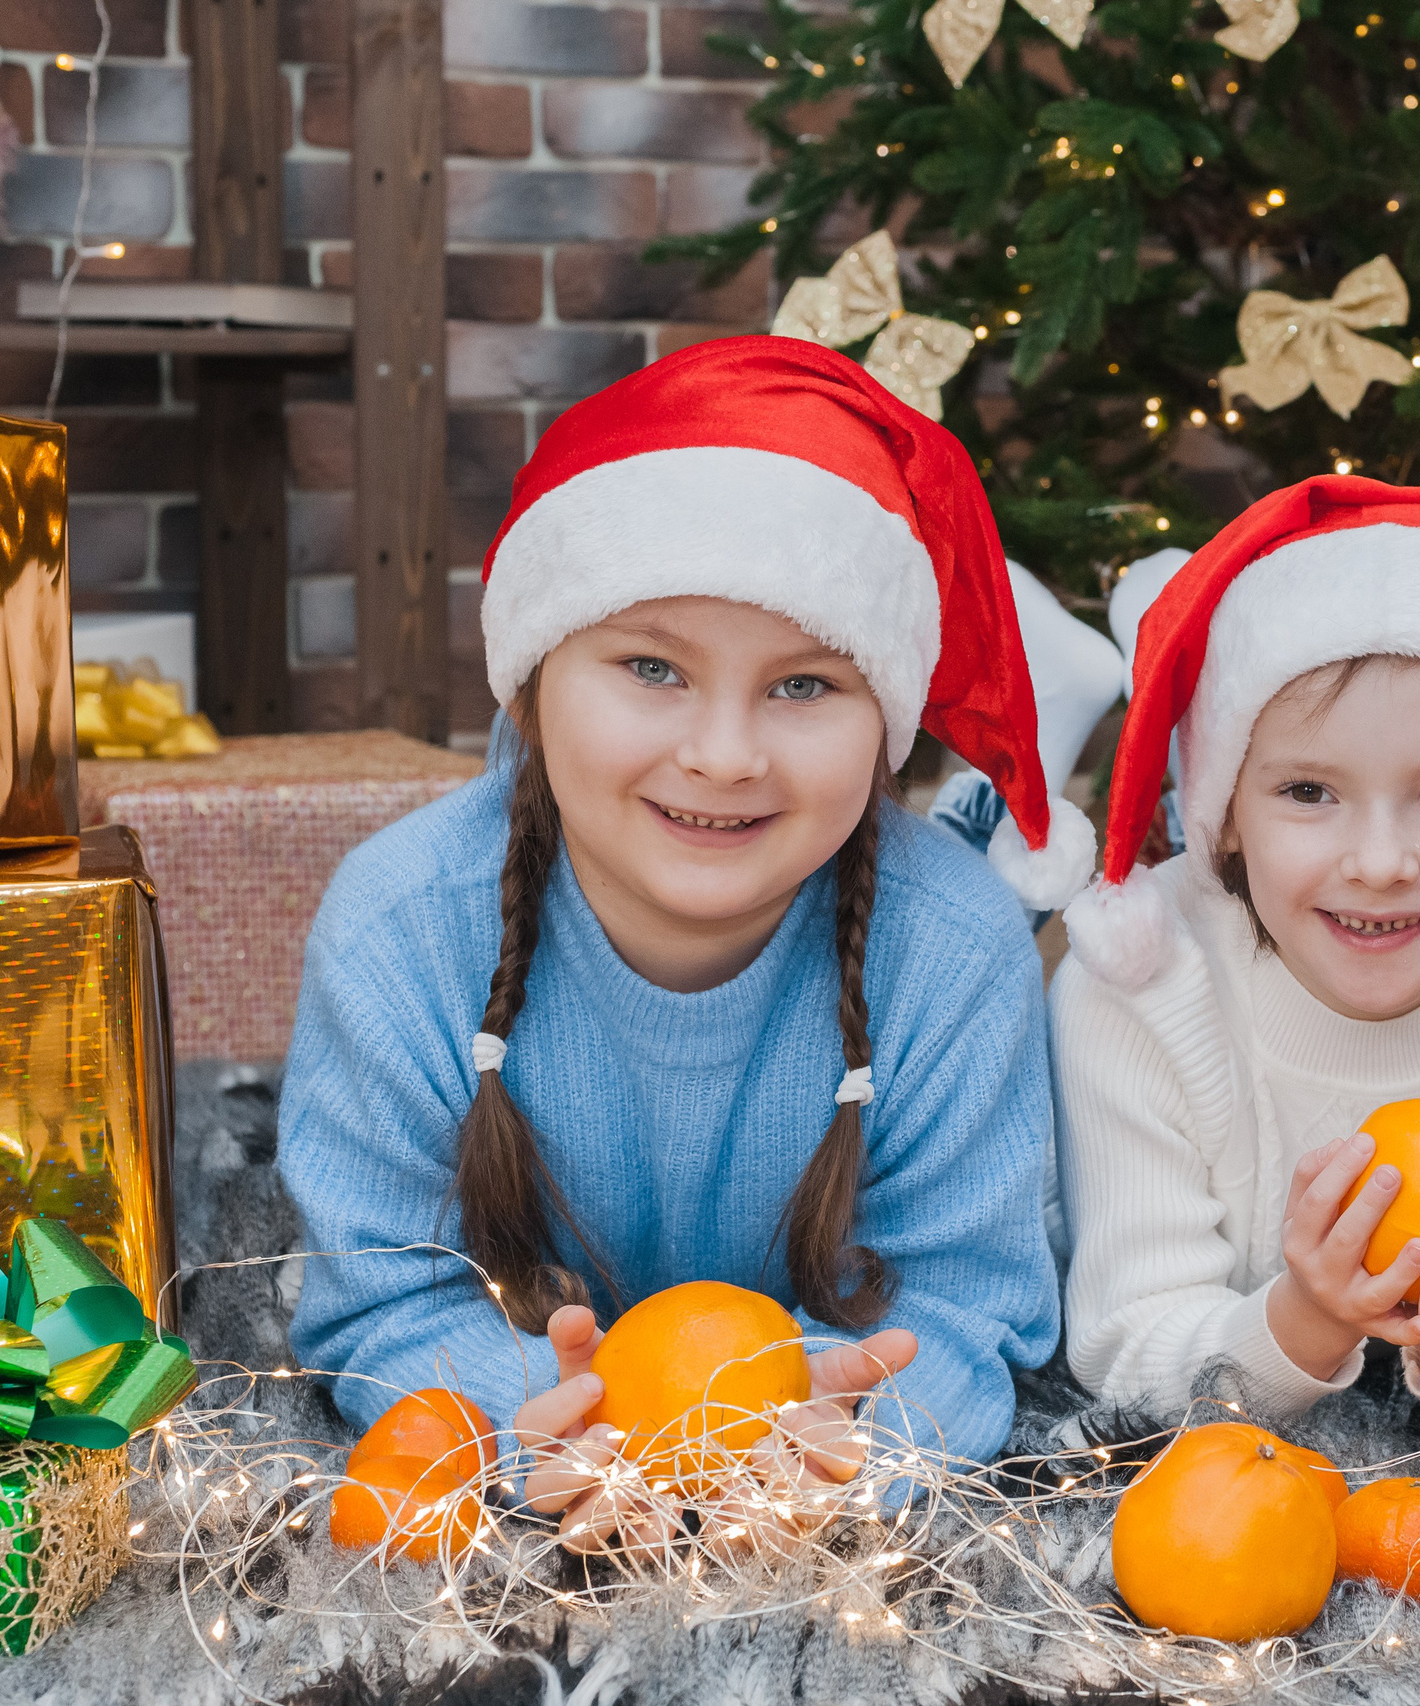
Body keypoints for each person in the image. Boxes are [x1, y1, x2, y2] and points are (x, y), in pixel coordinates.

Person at [280, 338, 1091, 1543]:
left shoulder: (952, 950)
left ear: (889, 725)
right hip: (540, 1450)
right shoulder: (402, 926)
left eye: (805, 685)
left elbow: (971, 1309)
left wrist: (829, 1438)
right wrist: (553, 1420)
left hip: (816, 1453)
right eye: (651, 666)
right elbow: (379, 1301)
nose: (723, 754)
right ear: (530, 684)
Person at [1049, 477, 1420, 1455]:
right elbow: (1128, 1348)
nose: (1380, 862)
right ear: (1227, 813)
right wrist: (1305, 1315)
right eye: (1307, 791)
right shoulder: (1143, 986)